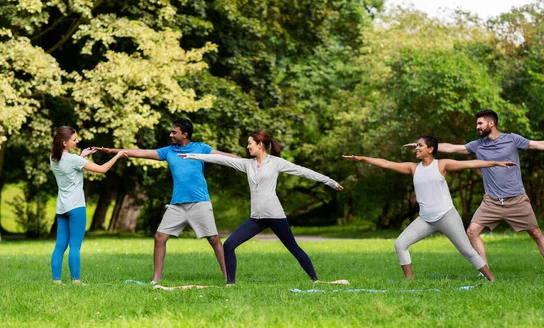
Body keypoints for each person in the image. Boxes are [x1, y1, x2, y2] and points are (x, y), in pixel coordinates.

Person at [410, 109, 544, 275]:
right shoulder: (477, 145)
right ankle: (484, 271)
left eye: (480, 123)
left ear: (491, 124)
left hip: (516, 198)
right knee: (472, 232)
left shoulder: (512, 139)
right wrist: (424, 146)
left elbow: (539, 144)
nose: (477, 127)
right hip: (492, 201)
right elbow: (454, 147)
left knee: (535, 232)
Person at [179, 129, 344, 285]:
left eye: (250, 143)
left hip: (275, 215)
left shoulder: (276, 163)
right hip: (256, 217)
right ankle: (231, 283)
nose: (247, 146)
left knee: (293, 248)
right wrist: (191, 156)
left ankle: (315, 280)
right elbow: (221, 159)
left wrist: (330, 182)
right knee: (229, 245)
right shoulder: (247, 164)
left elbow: (304, 171)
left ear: (260, 144)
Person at [345, 136, 516, 280]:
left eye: (420, 145)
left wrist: (496, 163)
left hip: (447, 216)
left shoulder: (442, 165)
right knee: (400, 244)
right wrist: (361, 158)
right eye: (416, 145)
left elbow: (471, 164)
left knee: (467, 251)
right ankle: (410, 282)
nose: (416, 148)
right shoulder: (413, 168)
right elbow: (385, 163)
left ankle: (492, 280)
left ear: (431, 149)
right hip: (426, 219)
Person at [98, 118, 236, 283]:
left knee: (213, 239)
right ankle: (156, 279)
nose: (170, 134)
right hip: (177, 204)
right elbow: (141, 152)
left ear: (185, 134)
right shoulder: (168, 151)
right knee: (160, 237)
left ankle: (229, 278)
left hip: (199, 201)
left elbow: (224, 157)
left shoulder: (201, 148)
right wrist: (113, 151)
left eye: (174, 132)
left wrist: (246, 161)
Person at [50, 126, 127, 284]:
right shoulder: (74, 160)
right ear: (65, 143)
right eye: (74, 140)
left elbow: (70, 168)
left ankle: (56, 282)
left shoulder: (53, 158)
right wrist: (118, 155)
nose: (77, 141)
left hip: (62, 207)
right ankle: (76, 282)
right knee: (75, 246)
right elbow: (103, 169)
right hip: (76, 207)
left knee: (60, 246)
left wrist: (81, 156)